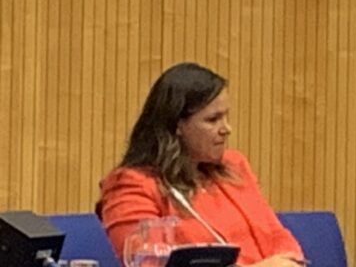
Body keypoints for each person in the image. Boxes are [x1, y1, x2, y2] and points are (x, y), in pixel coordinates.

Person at [99, 63, 304, 267]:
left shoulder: (235, 166)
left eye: (226, 117)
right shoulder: (131, 186)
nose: (227, 129)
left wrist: (290, 261)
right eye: (213, 120)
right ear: (177, 125)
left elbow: (277, 236)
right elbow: (149, 264)